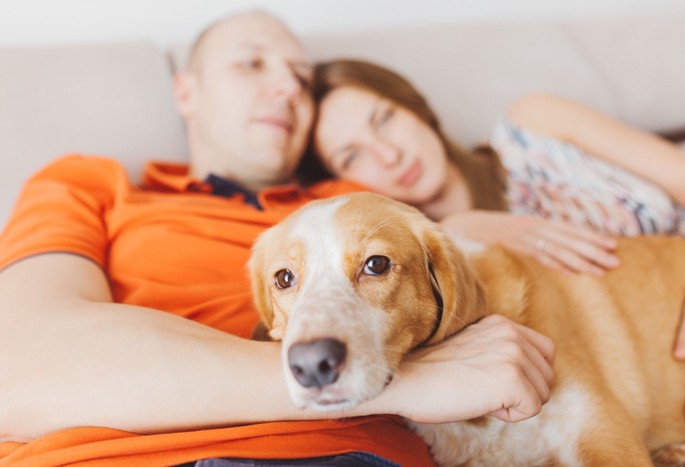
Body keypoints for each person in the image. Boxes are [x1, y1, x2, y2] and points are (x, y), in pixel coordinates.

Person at [0, 12, 556, 467]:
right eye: (251, 63)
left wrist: (468, 221)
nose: (287, 87)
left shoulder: (360, 202)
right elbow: (17, 370)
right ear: (186, 91)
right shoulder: (92, 185)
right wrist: (405, 382)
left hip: (348, 457)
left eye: (301, 79)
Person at [307, 58, 685, 431]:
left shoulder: (533, 125)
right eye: (353, 155)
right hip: (666, 377)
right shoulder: (440, 282)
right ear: (344, 185)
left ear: (416, 107)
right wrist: (456, 228)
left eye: (385, 118)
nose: (389, 154)